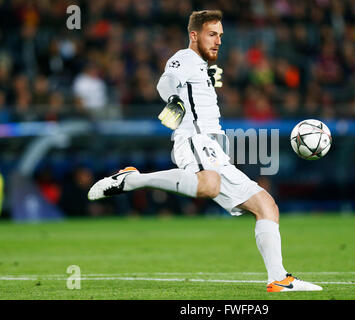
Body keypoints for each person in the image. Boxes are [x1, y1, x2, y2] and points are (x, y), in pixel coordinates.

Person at [88, 10, 322, 292]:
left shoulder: (205, 67)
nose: (218, 41)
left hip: (215, 148)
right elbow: (165, 81)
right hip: (194, 139)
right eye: (212, 34)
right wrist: (173, 97)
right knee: (209, 185)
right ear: (194, 35)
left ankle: (278, 279)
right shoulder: (184, 58)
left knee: (266, 205)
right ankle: (133, 179)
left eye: (221, 35)